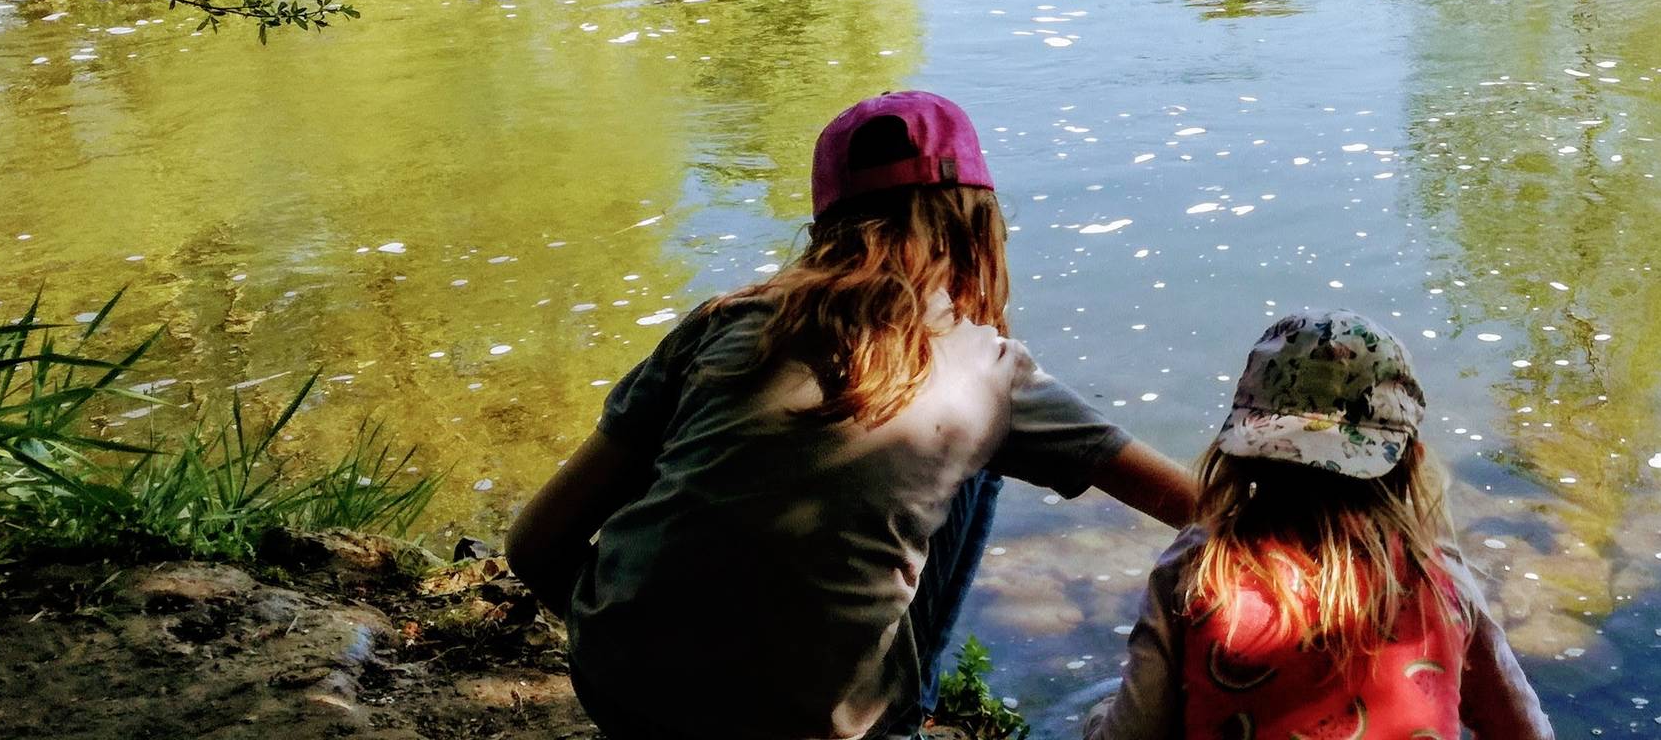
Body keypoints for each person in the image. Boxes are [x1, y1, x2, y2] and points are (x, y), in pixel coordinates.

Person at [507, 90, 1199, 740]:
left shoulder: (723, 324)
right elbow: (1198, 508)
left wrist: (641, 651)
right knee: (979, 456)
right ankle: (898, 721)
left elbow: (533, 545)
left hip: (621, 691)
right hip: (813, 727)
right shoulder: (992, 370)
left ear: (824, 225)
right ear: (979, 223)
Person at [1083, 311, 1556, 740]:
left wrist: (1096, 720)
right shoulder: (1439, 577)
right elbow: (1522, 729)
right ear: (1413, 461)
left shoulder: (1197, 565)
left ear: (1242, 450)